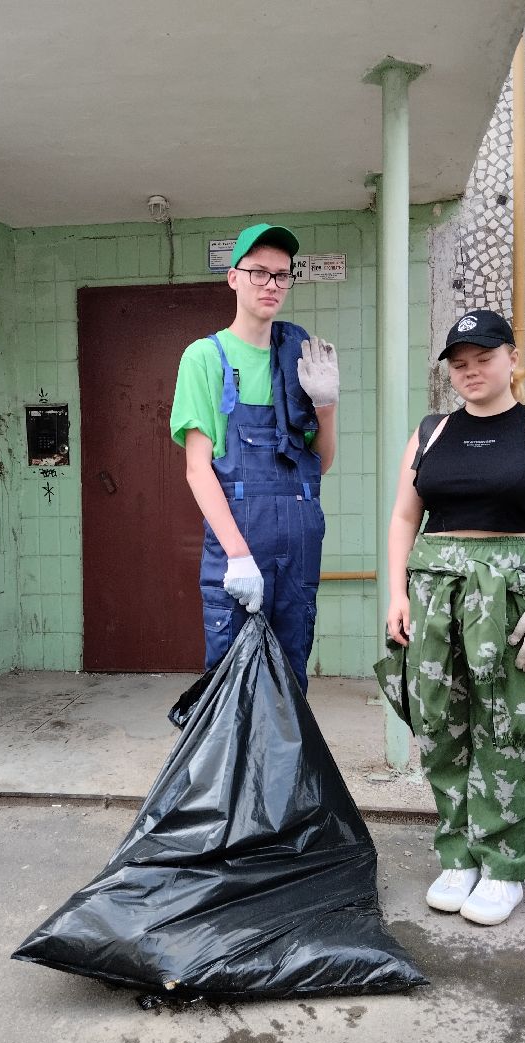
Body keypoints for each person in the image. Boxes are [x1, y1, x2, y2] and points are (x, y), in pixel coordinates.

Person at [375, 309, 525, 926]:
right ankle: (458, 855)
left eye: (484, 359)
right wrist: (397, 594)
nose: (471, 372)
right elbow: (401, 519)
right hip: (436, 593)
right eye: (460, 364)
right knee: (440, 724)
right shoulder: (433, 432)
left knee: (503, 724)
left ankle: (502, 867)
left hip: (510, 594)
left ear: (511, 359)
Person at [170, 222, 339, 693]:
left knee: (290, 683)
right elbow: (197, 468)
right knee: (233, 687)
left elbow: (317, 466)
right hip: (242, 543)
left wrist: (327, 408)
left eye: (283, 276)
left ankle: (285, 771)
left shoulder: (297, 358)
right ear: (234, 277)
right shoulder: (206, 358)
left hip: (299, 546)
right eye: (259, 273)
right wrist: (238, 555)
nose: (272, 286)